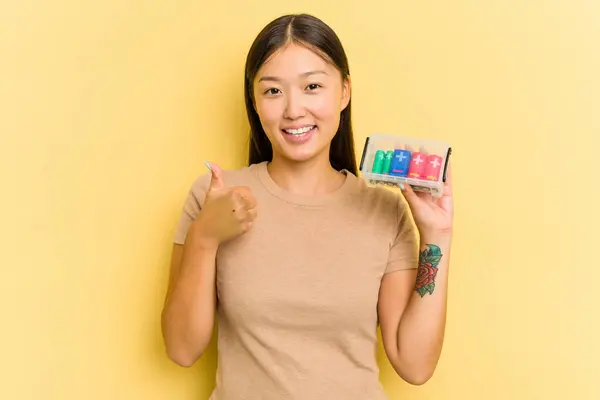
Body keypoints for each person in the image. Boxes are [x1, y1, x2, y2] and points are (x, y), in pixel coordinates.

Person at [161, 13, 453, 400]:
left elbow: (414, 365)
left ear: (344, 92)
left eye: (312, 86)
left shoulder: (384, 209)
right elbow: (182, 349)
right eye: (273, 91)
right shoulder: (215, 195)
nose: (294, 110)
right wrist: (204, 236)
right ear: (254, 100)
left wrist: (437, 235)